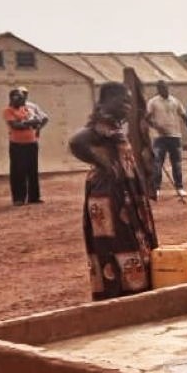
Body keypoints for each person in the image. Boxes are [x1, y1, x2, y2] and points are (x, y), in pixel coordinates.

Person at [68, 82, 159, 300]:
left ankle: (133, 289)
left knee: (129, 238)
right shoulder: (100, 126)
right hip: (110, 196)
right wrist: (103, 163)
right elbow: (76, 141)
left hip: (123, 192)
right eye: (123, 100)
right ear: (105, 101)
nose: (128, 105)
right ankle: (119, 292)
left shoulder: (113, 126)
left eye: (129, 101)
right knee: (116, 240)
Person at [3, 87, 48, 206]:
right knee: (18, 171)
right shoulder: (8, 111)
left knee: (32, 170)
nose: (24, 101)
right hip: (17, 145)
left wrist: (33, 124)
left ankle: (34, 197)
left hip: (32, 143)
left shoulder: (26, 108)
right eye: (22, 98)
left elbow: (37, 120)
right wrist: (29, 123)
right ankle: (19, 198)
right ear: (14, 99)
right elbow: (15, 126)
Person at [146, 80, 187, 200]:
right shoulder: (153, 102)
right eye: (161, 88)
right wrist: (156, 127)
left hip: (175, 136)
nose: (164, 90)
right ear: (158, 90)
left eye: (165, 88)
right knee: (157, 163)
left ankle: (179, 187)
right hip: (159, 137)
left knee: (177, 163)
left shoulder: (175, 101)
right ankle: (156, 188)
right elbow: (147, 118)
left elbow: (183, 115)